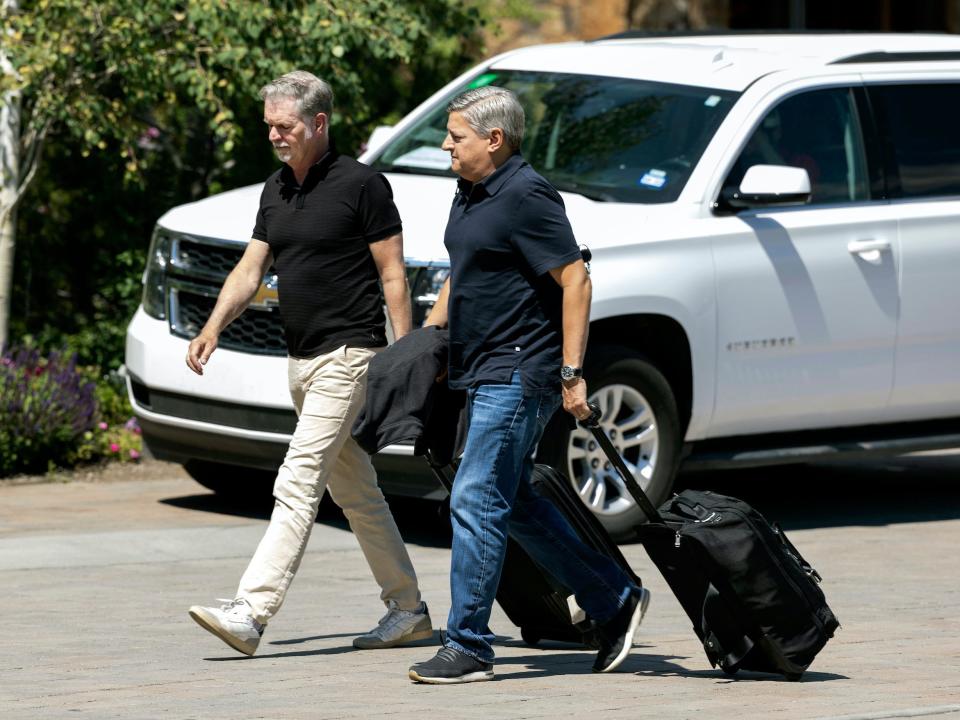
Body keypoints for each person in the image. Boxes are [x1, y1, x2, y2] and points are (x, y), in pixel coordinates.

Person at [408, 86, 649, 684]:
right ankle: (613, 597)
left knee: (474, 498)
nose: (446, 145)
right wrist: (426, 342)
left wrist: (572, 372)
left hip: (520, 372)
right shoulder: (469, 191)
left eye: (456, 136)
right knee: (511, 501)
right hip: (477, 365)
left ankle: (468, 645)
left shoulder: (526, 195)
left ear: (494, 139)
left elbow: (575, 279)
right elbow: (462, 274)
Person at [186, 70, 431, 656]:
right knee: (358, 494)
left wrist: (406, 357)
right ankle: (409, 611)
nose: (273, 134)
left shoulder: (363, 185)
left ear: (319, 123)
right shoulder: (276, 189)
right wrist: (213, 326)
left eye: (284, 125)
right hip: (300, 361)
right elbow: (251, 270)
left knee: (297, 481)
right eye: (268, 124)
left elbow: (393, 274)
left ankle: (252, 611)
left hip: (350, 356)